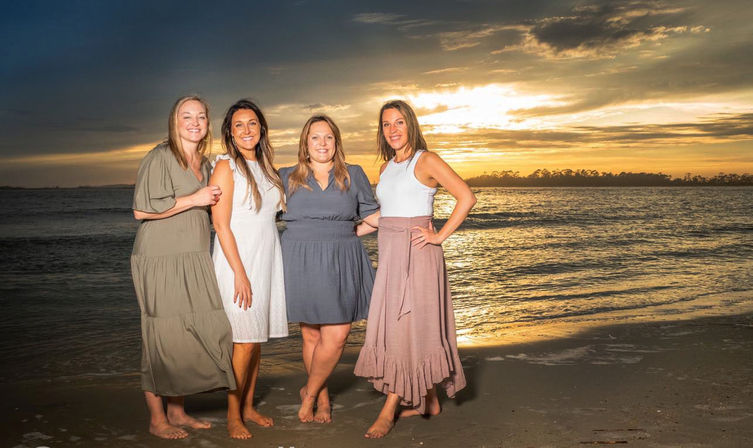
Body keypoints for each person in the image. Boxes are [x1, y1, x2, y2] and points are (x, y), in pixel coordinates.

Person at [354, 99, 477, 438]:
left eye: (398, 123)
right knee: (408, 326)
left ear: (411, 125)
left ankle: (389, 407)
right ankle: (430, 400)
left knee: (404, 329)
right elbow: (386, 215)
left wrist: (438, 237)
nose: (392, 130)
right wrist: (348, 232)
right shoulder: (385, 168)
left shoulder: (427, 160)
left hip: (418, 255)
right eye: (385, 124)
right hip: (391, 255)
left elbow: (466, 197)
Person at [131, 95, 235, 440]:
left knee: (188, 333)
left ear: (207, 123)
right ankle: (157, 418)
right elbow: (141, 211)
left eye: (200, 116)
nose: (194, 122)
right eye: (186, 116)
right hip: (160, 258)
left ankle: (177, 411)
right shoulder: (160, 157)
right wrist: (195, 199)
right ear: (174, 122)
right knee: (162, 337)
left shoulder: (204, 164)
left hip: (193, 256)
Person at [279, 115, 380, 423]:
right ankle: (321, 397)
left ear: (337, 142)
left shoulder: (353, 173)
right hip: (299, 259)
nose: (322, 143)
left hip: (342, 257)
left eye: (328, 138)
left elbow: (374, 216)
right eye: (315, 138)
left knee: (336, 336)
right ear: (305, 144)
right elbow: (257, 215)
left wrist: (351, 233)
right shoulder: (285, 176)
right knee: (310, 336)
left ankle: (307, 393)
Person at [210, 99, 288, 439]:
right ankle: (232, 415)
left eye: (252, 123)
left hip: (266, 258)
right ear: (229, 131)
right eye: (239, 124)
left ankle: (248, 405)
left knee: (255, 341)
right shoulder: (226, 166)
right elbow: (221, 225)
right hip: (237, 263)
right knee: (241, 341)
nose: (246, 130)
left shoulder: (268, 168)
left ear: (261, 129)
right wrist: (240, 273)